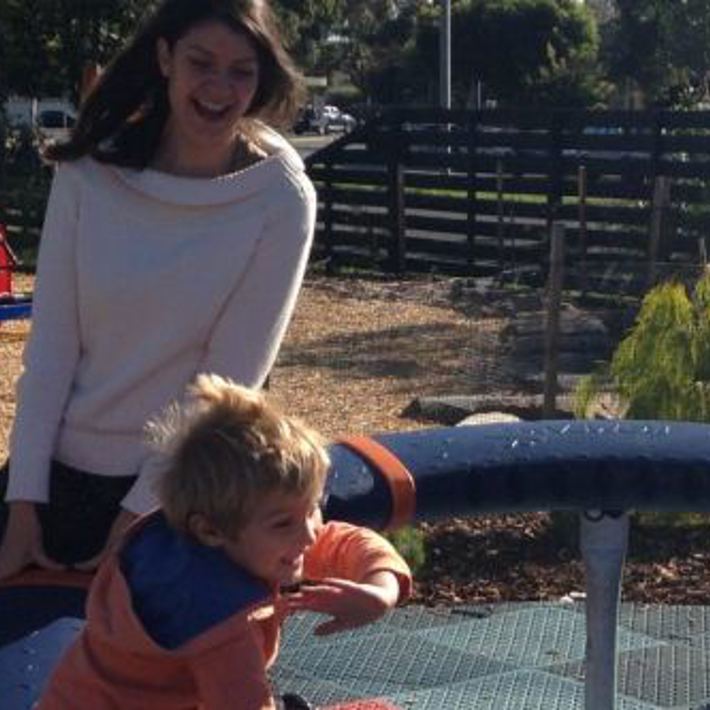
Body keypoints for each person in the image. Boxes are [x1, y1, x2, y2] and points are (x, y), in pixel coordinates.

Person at [0, 0, 317, 579]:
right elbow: (50, 351)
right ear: (166, 57)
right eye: (201, 62)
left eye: (241, 71)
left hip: (185, 491)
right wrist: (23, 502)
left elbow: (228, 380)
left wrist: (136, 518)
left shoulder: (280, 197)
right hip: (57, 476)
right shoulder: (89, 172)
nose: (219, 88)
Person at [38, 374, 412, 709]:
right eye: (284, 523)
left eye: (314, 508)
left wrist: (382, 589)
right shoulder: (213, 617)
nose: (310, 533)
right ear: (210, 530)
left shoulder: (214, 539)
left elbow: (341, 542)